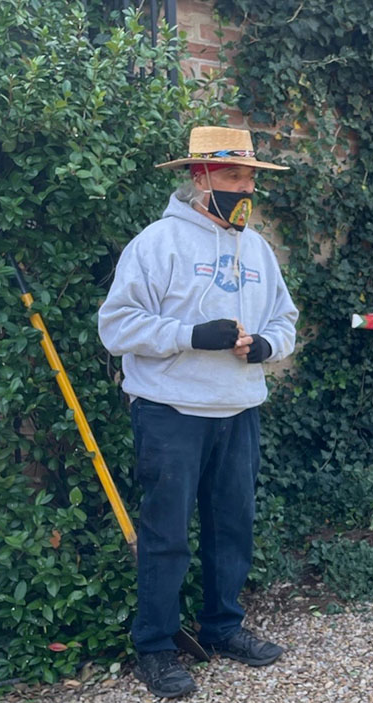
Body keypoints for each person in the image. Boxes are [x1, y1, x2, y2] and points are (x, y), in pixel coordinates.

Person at [98, 126, 298, 697]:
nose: (246, 187)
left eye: (252, 177)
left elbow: (286, 320)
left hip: (238, 410)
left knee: (231, 527)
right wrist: (190, 335)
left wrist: (267, 346)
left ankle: (223, 628)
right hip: (171, 411)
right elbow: (115, 326)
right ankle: (156, 648)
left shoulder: (257, 249)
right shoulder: (157, 244)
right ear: (200, 177)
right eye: (235, 176)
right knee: (166, 534)